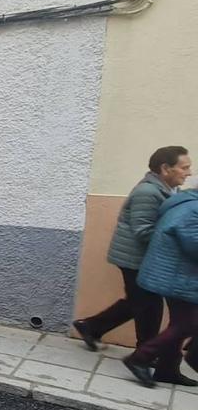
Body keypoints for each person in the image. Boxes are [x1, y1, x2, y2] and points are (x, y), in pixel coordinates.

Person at [74, 146, 191, 383]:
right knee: (148, 308)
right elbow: (143, 230)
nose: (188, 172)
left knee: (138, 303)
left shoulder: (167, 188)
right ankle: (143, 357)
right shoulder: (148, 192)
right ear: (165, 168)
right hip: (133, 260)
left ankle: (92, 327)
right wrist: (176, 241)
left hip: (145, 260)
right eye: (184, 167)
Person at [122, 184, 198, 386]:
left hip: (178, 274)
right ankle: (139, 358)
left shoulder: (187, 203)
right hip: (176, 275)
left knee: (181, 324)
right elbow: (194, 245)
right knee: (186, 324)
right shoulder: (192, 209)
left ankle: (167, 369)